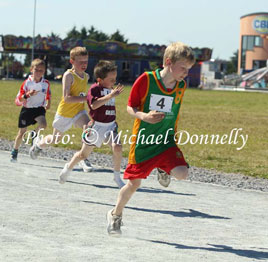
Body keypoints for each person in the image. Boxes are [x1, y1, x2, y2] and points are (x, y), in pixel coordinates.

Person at [106, 41, 196, 234]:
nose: (186, 73)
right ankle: (115, 214)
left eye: (188, 69)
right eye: (183, 68)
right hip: (144, 142)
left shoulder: (181, 86)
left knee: (182, 173)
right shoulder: (146, 80)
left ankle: (164, 169)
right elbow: (130, 106)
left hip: (166, 141)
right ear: (169, 62)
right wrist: (144, 116)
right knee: (133, 184)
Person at [58, 60, 125, 188]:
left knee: (117, 147)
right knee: (83, 155)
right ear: (100, 80)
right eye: (111, 79)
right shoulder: (94, 89)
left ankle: (117, 177)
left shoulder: (111, 89)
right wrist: (110, 96)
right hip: (96, 127)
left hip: (110, 125)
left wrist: (111, 94)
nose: (114, 81)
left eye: (115, 78)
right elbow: (94, 105)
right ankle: (69, 167)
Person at [29, 47, 92, 172]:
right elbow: (67, 98)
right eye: (80, 62)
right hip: (65, 113)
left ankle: (83, 157)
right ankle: (38, 145)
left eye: (86, 61)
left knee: (88, 126)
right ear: (72, 61)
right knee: (55, 138)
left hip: (79, 112)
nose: (84, 64)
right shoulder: (69, 75)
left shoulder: (86, 76)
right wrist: (87, 98)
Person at [10, 59, 51, 162]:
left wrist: (48, 102)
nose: (39, 72)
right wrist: (28, 94)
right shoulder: (26, 83)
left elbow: (48, 94)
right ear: (31, 70)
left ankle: (34, 134)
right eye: (36, 70)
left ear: (44, 71)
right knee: (21, 133)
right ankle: (15, 151)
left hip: (39, 109)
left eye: (41, 70)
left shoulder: (46, 83)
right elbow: (20, 99)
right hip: (27, 110)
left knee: (43, 124)